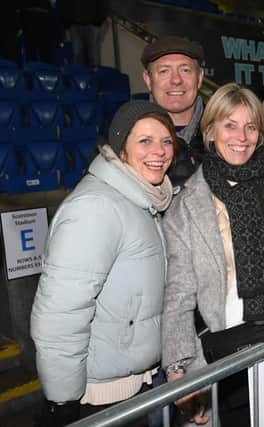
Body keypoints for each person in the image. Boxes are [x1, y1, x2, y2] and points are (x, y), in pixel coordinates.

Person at [161, 82, 264, 426]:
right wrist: (179, 368)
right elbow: (179, 294)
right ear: (210, 132)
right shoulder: (186, 207)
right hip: (233, 350)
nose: (242, 136)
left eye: (250, 126)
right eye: (230, 125)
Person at [30, 100, 176, 426]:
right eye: (145, 141)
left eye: (166, 141)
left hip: (132, 386)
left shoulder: (138, 199)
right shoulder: (97, 206)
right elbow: (60, 313)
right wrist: (63, 398)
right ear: (121, 148)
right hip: (95, 398)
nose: (160, 151)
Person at [141, 35, 206, 188]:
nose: (176, 80)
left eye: (185, 70)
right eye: (164, 71)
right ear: (148, 80)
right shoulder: (126, 137)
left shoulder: (229, 134)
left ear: (200, 77)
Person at [57, 0, 109, 67]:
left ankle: (94, 77)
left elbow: (104, 4)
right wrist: (67, 22)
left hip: (92, 25)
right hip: (75, 25)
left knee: (93, 58)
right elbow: (62, 3)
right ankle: (79, 76)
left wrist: (98, 21)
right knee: (78, 57)